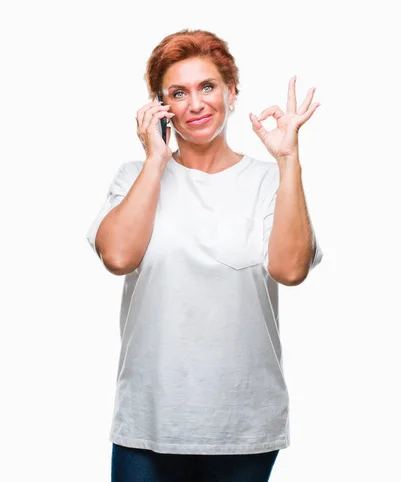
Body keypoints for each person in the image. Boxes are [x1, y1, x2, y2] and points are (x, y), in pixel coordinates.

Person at [85, 28, 323, 482]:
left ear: (231, 92)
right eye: (178, 93)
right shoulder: (134, 177)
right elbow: (117, 256)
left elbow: (291, 270)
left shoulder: (268, 182)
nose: (195, 104)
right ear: (161, 107)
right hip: (148, 423)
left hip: (242, 425)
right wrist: (156, 159)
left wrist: (289, 160)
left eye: (207, 87)